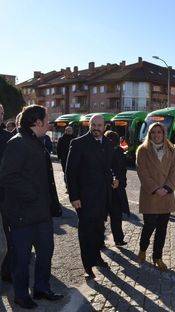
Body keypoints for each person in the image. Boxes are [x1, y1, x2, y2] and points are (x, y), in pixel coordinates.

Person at [0, 105, 63, 309]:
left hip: (42, 213)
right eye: (47, 120)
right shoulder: (17, 143)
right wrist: (34, 194)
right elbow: (8, 177)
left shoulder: (37, 142)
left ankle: (41, 288)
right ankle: (21, 294)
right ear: (37, 123)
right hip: (22, 215)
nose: (49, 124)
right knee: (21, 258)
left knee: (46, 252)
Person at [66, 114, 119, 279]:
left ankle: (96, 257)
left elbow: (111, 167)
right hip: (85, 198)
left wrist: (114, 178)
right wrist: (74, 197)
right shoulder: (78, 143)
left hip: (104, 197)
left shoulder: (108, 144)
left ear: (104, 127)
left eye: (99, 125)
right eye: (93, 125)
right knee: (86, 232)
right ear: (89, 125)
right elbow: (70, 173)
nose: (96, 128)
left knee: (98, 230)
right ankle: (87, 266)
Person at [135, 123, 175, 270]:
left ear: (164, 133)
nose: (156, 135)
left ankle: (157, 257)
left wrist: (167, 188)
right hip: (150, 195)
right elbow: (143, 172)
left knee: (162, 228)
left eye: (159, 132)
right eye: (153, 132)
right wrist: (155, 188)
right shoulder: (143, 150)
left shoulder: (171, 150)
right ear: (149, 134)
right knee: (149, 226)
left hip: (166, 194)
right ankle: (142, 248)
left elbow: (174, 171)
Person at [104, 130, 129, 246]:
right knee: (115, 217)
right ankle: (118, 239)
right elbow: (122, 170)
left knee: (113, 216)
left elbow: (122, 170)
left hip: (111, 189)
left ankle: (113, 240)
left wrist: (119, 180)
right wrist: (120, 180)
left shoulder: (114, 151)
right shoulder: (116, 151)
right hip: (110, 189)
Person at [0, 104, 13, 286]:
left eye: (2, 113)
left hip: (5, 195)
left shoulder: (9, 138)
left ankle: (6, 271)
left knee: (8, 237)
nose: (1, 116)